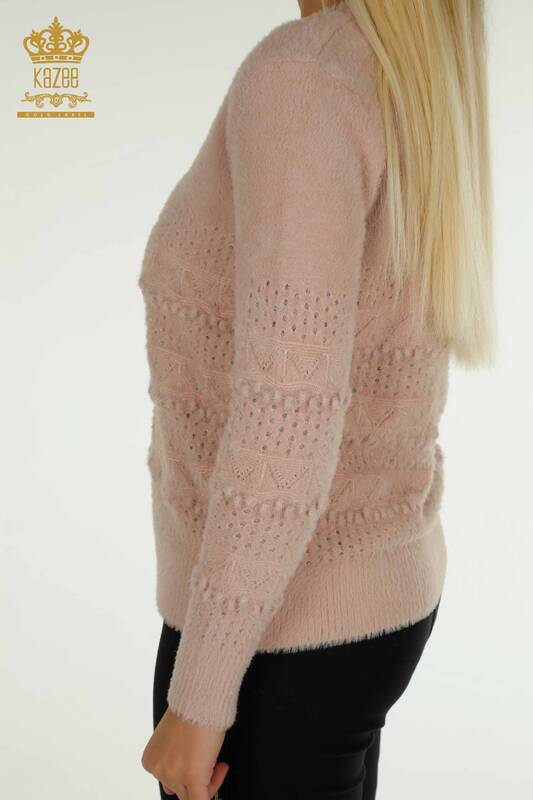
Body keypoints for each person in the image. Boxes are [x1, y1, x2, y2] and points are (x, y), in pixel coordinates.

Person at [139, 1, 497, 798]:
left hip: (272, 639)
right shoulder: (401, 66)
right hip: (370, 604)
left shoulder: (304, 80)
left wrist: (199, 697)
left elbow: (286, 413)